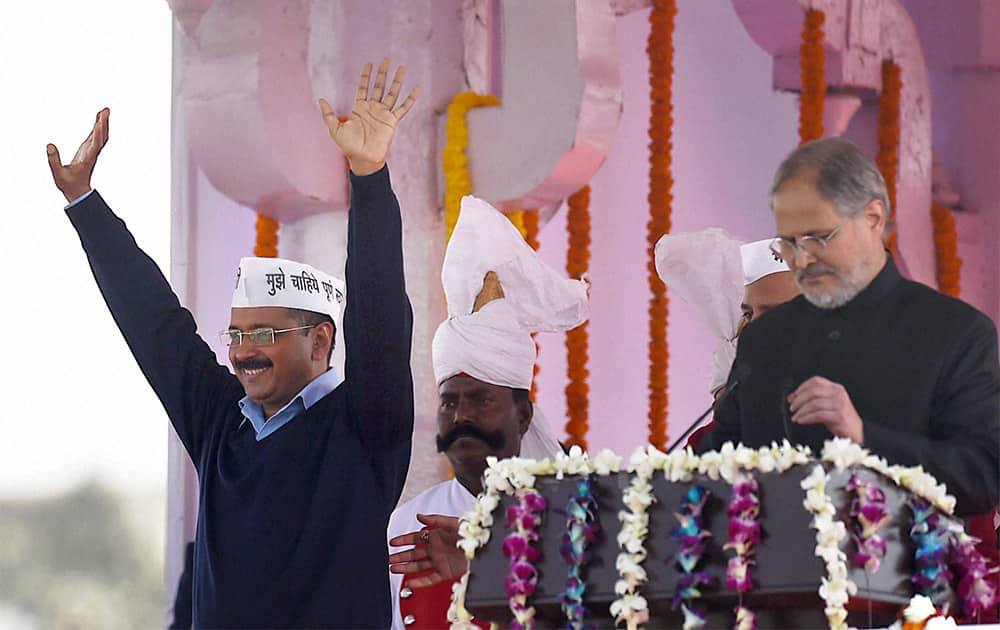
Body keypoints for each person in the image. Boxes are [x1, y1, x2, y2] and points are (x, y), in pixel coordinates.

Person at [48, 59, 419, 628]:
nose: (243, 351)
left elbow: (379, 320)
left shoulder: (366, 427)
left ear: (321, 341)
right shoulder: (223, 424)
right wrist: (85, 206)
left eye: (264, 335)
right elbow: (157, 327)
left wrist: (368, 179)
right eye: (237, 334)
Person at [697, 137, 1000, 517]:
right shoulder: (764, 338)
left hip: (907, 569)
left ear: (873, 219)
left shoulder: (955, 333)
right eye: (790, 243)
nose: (803, 258)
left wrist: (863, 437)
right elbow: (717, 463)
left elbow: (983, 477)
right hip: (773, 568)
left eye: (818, 237)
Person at [385, 195, 589, 629]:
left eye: (481, 399)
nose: (461, 416)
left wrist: (485, 563)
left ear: (523, 416)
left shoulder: (577, 511)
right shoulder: (409, 523)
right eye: (449, 401)